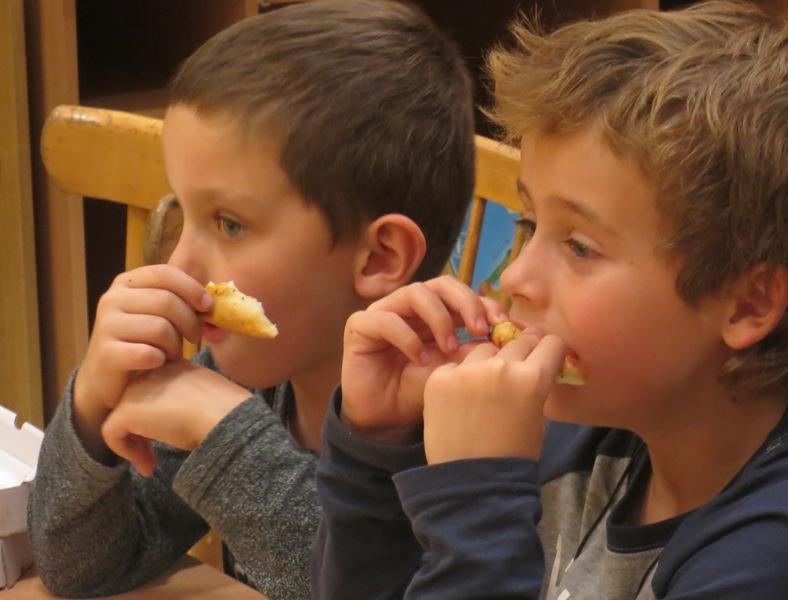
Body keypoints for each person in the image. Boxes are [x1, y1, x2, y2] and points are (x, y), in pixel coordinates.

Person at [312, 2, 788, 598]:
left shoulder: (771, 557)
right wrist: (376, 451)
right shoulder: (579, 440)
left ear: (746, 305)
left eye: (579, 246)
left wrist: (478, 495)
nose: (516, 276)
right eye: (529, 221)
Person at [28, 2, 474, 599]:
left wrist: (228, 439)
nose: (179, 267)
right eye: (184, 213)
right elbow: (82, 568)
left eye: (229, 224)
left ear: (378, 259)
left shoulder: (467, 433)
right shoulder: (251, 372)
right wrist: (90, 407)